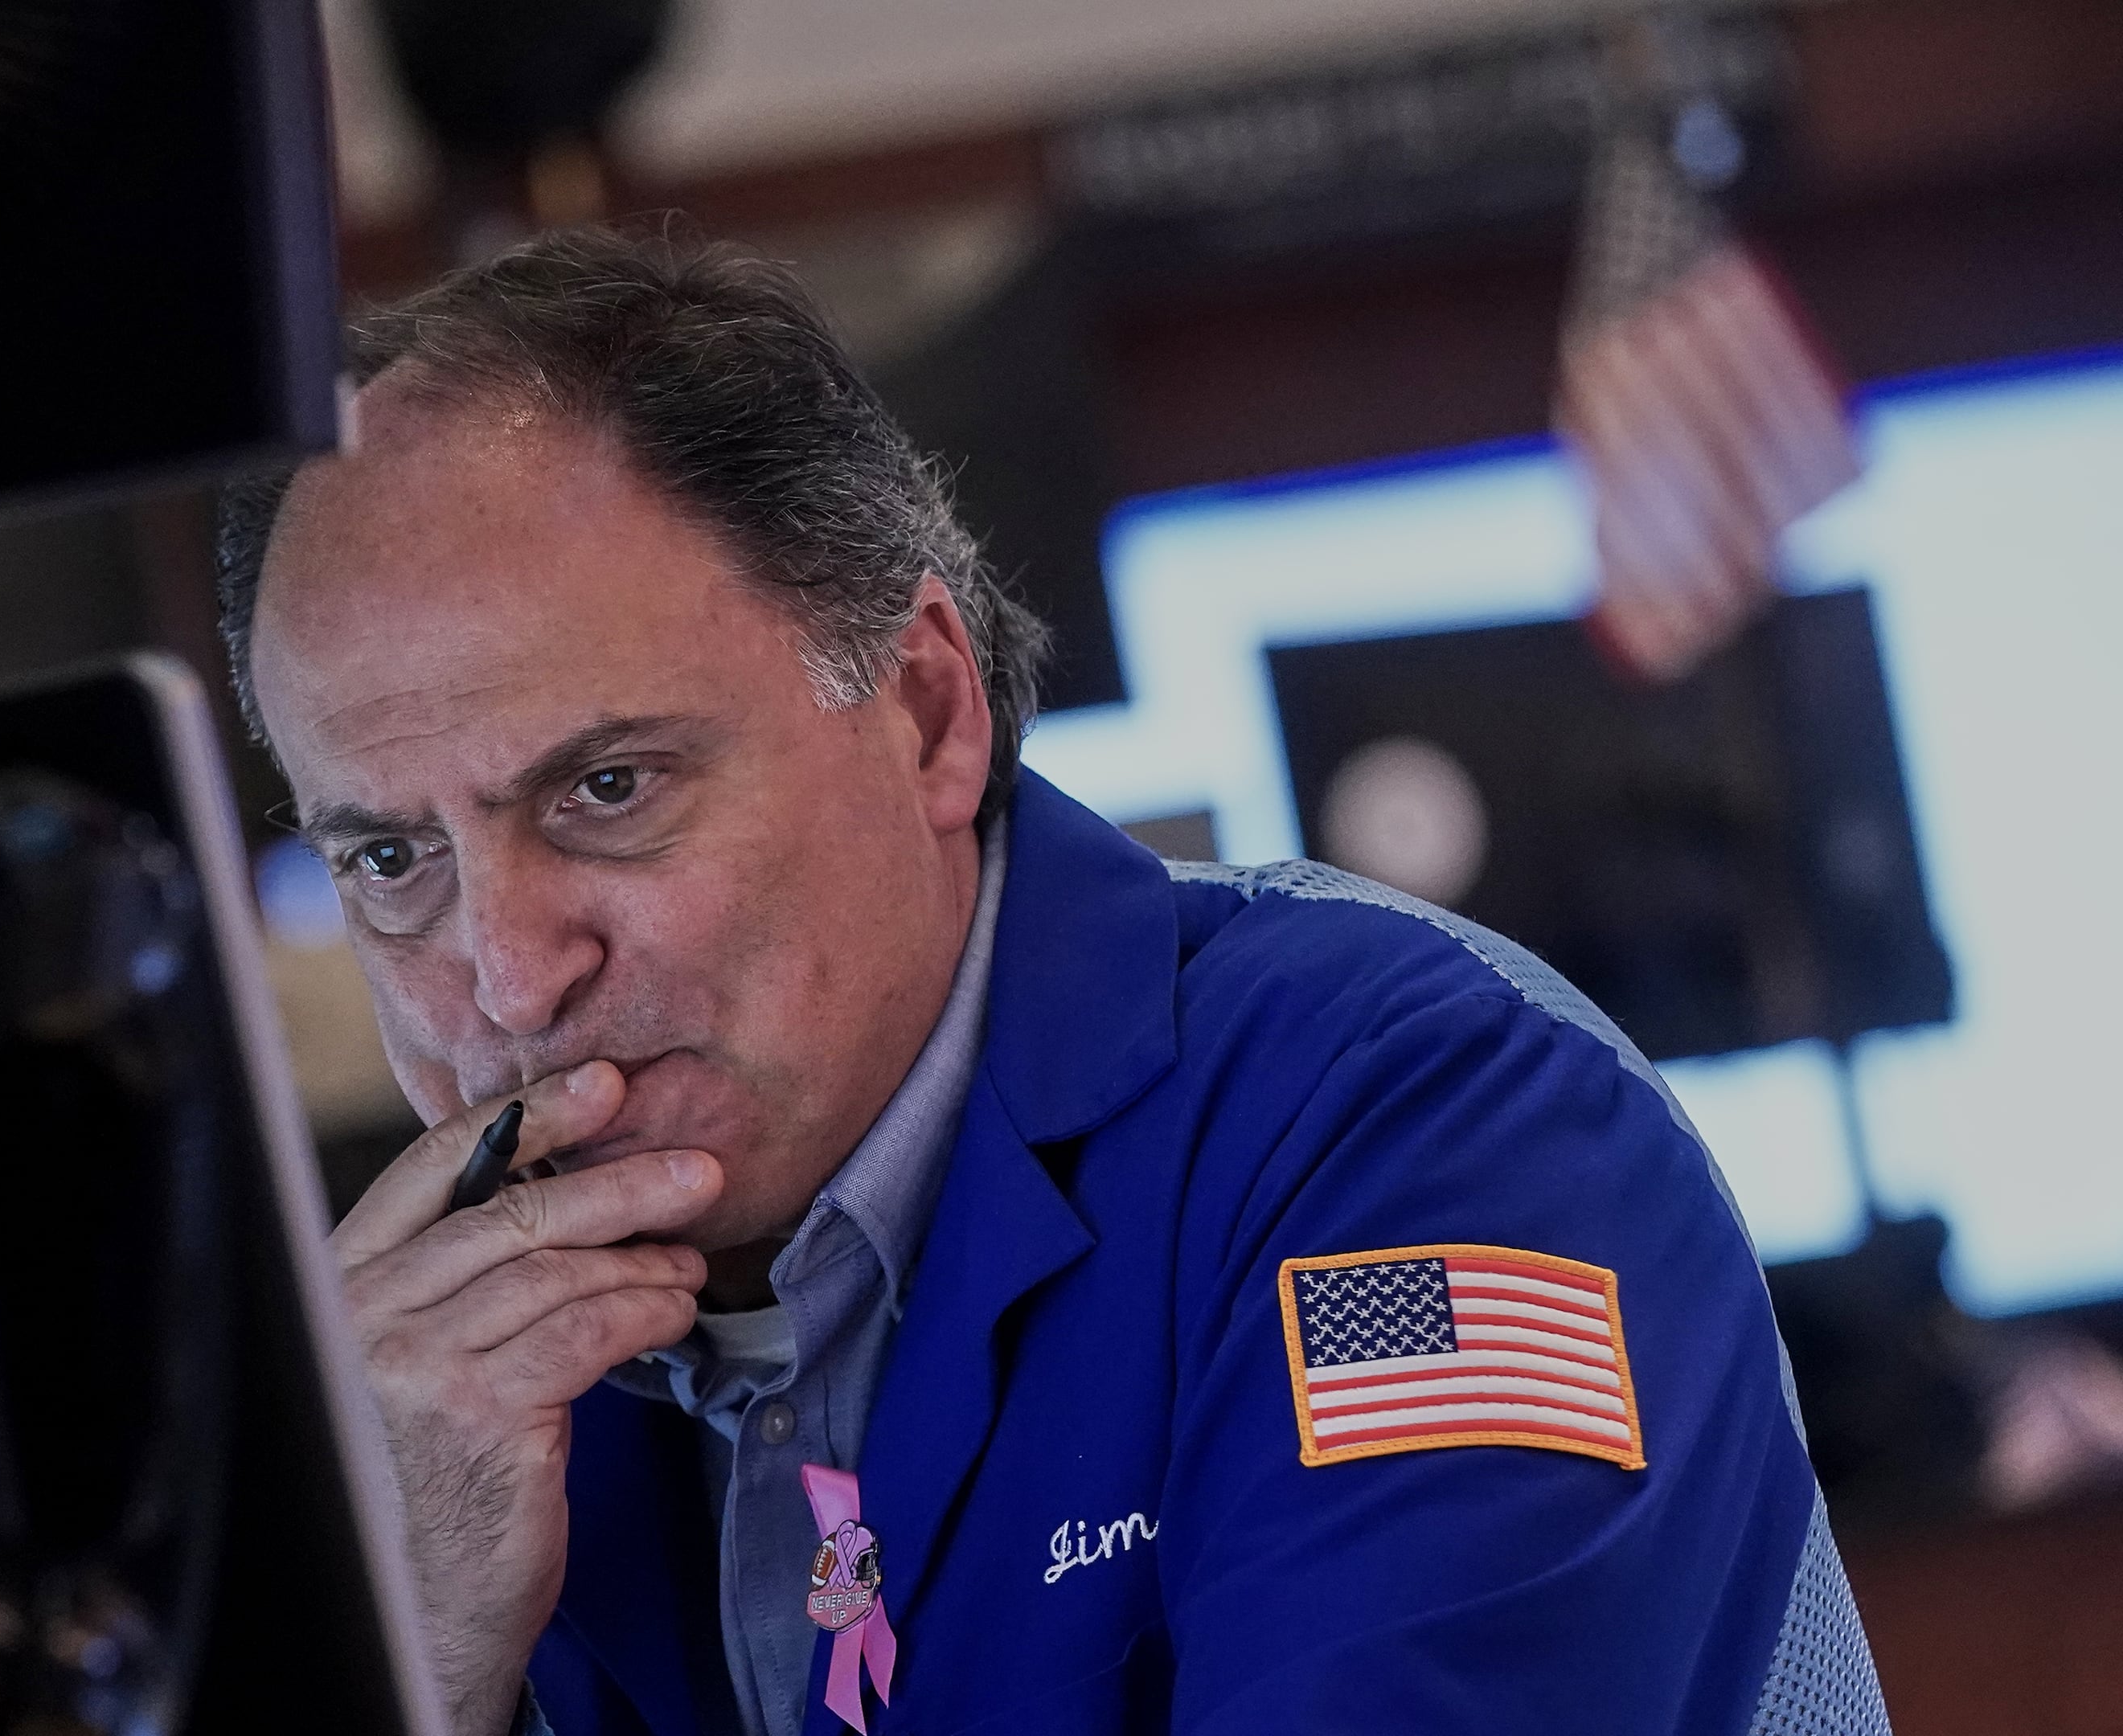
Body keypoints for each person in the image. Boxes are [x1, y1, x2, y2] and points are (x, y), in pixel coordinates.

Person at [216, 227, 1886, 1736]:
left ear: (928, 711)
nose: (510, 979)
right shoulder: (419, 1414)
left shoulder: (1428, 1128)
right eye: (389, 861)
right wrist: (397, 1662)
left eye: (607, 788)